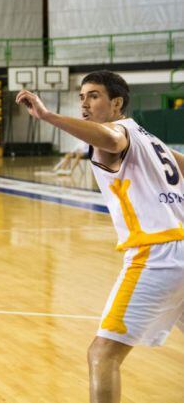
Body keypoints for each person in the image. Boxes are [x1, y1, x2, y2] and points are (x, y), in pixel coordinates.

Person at [16, 71, 184, 403]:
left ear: (116, 103)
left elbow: (111, 141)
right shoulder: (150, 138)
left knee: (102, 354)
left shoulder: (118, 133)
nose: (84, 103)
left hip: (157, 254)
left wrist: (48, 116)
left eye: (93, 96)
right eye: (81, 97)